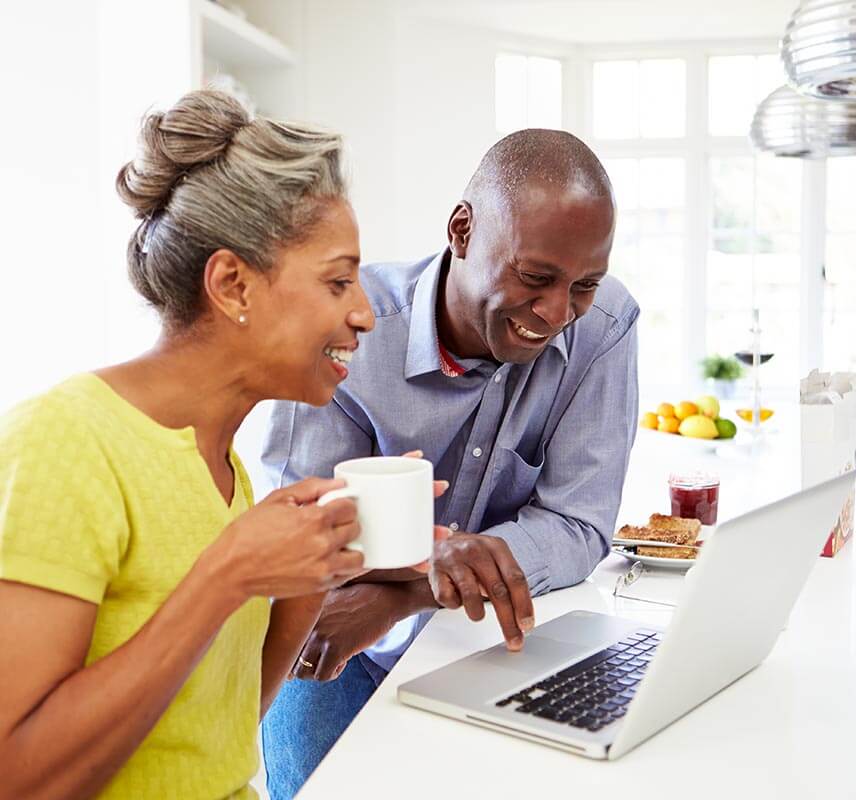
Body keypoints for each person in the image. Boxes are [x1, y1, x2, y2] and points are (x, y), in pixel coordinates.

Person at [0, 89, 380, 800]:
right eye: (338, 281)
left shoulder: (226, 470)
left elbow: (215, 739)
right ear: (233, 283)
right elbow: (18, 778)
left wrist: (302, 589)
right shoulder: (65, 442)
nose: (364, 313)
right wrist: (227, 575)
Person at [261, 128, 640, 798]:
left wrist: (416, 586)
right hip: (337, 641)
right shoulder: (348, 328)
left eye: (583, 284)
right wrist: (424, 562)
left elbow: (580, 525)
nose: (557, 313)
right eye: (535, 277)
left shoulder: (604, 327)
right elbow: (297, 541)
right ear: (462, 230)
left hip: (485, 649)